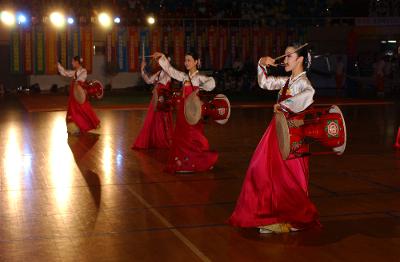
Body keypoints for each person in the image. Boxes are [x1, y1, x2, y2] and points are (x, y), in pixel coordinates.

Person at [229, 43, 319, 233]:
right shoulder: (287, 81)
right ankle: (271, 214)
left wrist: (285, 105)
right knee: (263, 171)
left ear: (300, 59)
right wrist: (262, 62)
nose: (284, 60)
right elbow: (265, 82)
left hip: (293, 138)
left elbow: (309, 95)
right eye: (284, 56)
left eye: (288, 56)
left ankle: (294, 217)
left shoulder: (304, 83)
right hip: (277, 132)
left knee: (290, 179)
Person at [152, 51, 218, 173]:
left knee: (194, 136)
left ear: (196, 62)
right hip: (183, 111)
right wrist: (161, 57)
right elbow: (170, 70)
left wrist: (199, 89)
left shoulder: (200, 78)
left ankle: (198, 162)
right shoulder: (184, 77)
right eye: (185, 60)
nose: (186, 63)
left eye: (189, 60)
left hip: (193, 112)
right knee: (182, 136)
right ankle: (183, 162)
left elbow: (212, 83)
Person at [132, 58, 173, 149]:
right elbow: (148, 80)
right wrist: (142, 69)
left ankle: (163, 140)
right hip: (157, 100)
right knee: (155, 120)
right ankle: (158, 140)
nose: (160, 63)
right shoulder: (159, 73)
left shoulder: (168, 72)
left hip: (164, 100)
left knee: (162, 120)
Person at [57, 56, 100, 134]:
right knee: (73, 110)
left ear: (77, 62)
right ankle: (75, 128)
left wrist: (77, 81)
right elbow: (65, 72)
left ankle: (84, 126)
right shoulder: (75, 72)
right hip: (74, 94)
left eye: (73, 61)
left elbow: (81, 78)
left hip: (79, 93)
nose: (72, 63)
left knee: (82, 110)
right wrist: (59, 65)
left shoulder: (83, 71)